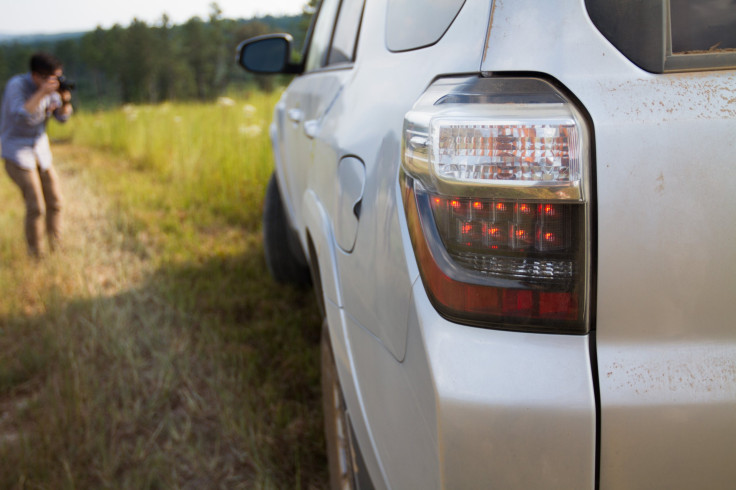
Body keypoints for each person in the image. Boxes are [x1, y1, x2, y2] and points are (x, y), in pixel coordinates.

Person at [1, 52, 73, 258]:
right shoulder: (17, 86)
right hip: (17, 153)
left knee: (55, 201)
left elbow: (62, 117)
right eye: (53, 78)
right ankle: (36, 256)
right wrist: (42, 93)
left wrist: (65, 102)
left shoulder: (52, 88)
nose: (56, 82)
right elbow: (20, 115)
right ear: (37, 76)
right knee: (36, 206)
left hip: (40, 151)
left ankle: (55, 246)